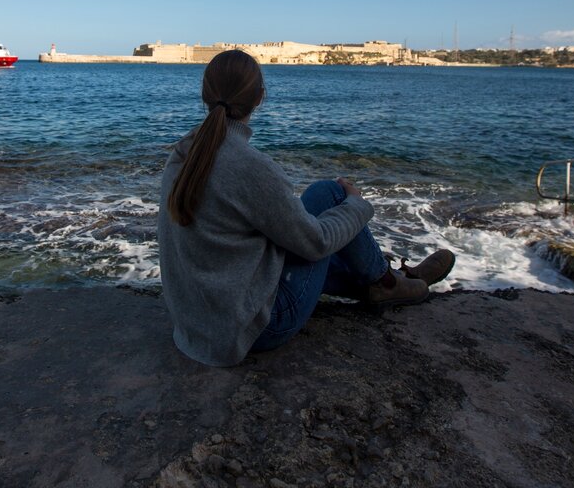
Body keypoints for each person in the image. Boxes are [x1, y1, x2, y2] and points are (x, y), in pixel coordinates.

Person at [157, 49, 455, 367]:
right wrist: (357, 204)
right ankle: (385, 283)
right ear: (260, 98)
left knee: (320, 196)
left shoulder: (184, 153)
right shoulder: (250, 167)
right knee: (333, 195)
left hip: (196, 325)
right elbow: (316, 244)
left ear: (205, 94)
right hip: (254, 328)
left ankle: (383, 280)